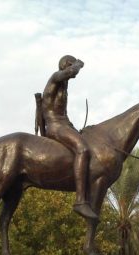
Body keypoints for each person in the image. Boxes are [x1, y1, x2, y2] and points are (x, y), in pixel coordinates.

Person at [41, 55, 98, 220]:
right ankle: (80, 201)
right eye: (71, 66)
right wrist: (79, 64)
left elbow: (62, 113)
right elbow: (70, 72)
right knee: (83, 148)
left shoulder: (64, 86)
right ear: (66, 65)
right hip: (55, 126)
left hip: (64, 124)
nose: (74, 72)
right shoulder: (56, 77)